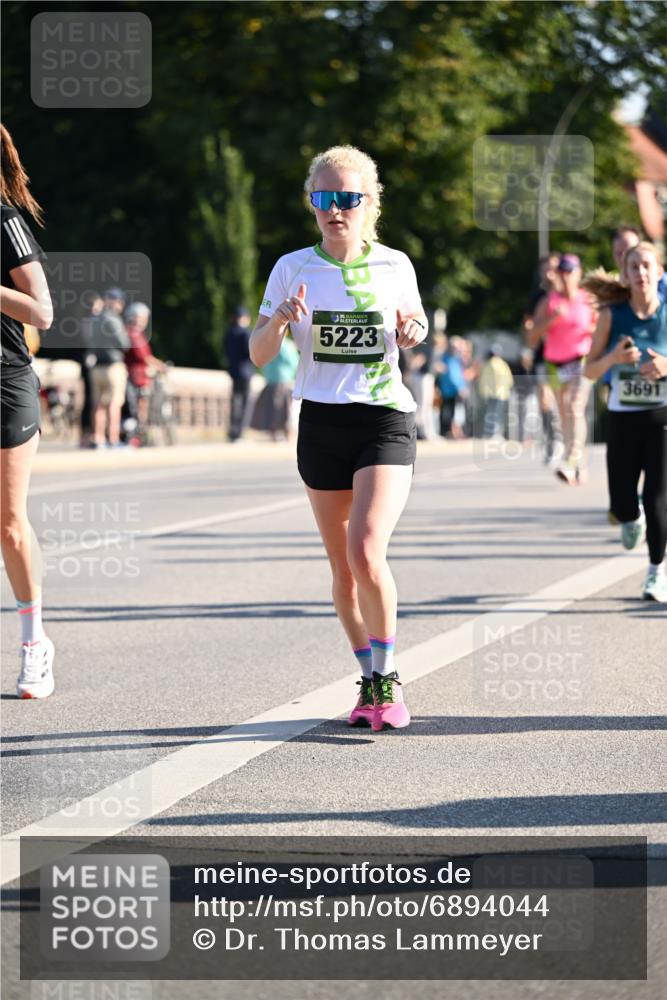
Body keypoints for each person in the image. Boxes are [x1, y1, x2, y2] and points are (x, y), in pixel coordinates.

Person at [250, 145, 427, 731]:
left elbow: (416, 324)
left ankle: (389, 674)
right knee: (343, 569)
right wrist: (279, 320)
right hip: (321, 422)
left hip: (383, 418)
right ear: (313, 204)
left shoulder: (395, 265)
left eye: (348, 198)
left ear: (370, 205)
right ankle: (367, 678)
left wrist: (409, 330)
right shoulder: (291, 268)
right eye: (324, 198)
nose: (335, 209)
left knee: (366, 548)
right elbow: (259, 353)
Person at [0, 122, 55, 698]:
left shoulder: (5, 219)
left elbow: (42, 312)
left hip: (3, 382)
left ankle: (34, 643)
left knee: (9, 522)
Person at [584, 242, 667, 602]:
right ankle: (630, 518)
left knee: (658, 497)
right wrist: (614, 357)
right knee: (621, 504)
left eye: (647, 266)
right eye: (634, 267)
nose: (641, 273)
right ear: (626, 274)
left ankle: (655, 573)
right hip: (622, 418)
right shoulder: (611, 314)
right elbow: (588, 371)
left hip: (663, 417)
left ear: (659, 271)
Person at [527, 254, 596, 484]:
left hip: (581, 360)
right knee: (565, 416)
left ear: (579, 273)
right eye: (562, 272)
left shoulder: (588, 300)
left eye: (570, 272)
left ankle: (569, 462)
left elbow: (600, 329)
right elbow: (532, 337)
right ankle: (579, 462)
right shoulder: (549, 301)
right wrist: (552, 320)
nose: (566, 277)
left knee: (574, 406)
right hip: (555, 364)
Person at [523, 253, 563, 464]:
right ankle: (554, 440)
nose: (549, 273)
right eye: (545, 268)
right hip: (543, 356)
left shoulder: (569, 294)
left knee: (565, 402)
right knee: (545, 400)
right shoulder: (537, 296)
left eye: (554, 268)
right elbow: (528, 323)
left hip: (567, 357)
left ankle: (569, 442)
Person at [86, 287, 130, 448]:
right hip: (112, 366)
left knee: (97, 405)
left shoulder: (93, 319)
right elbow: (124, 343)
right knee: (114, 404)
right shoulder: (113, 319)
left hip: (96, 366)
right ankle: (113, 439)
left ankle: (98, 438)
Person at [123, 301, 167, 443]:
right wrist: (162, 366)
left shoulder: (129, 332)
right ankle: (136, 437)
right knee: (139, 408)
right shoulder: (134, 334)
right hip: (137, 378)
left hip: (134, 376)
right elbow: (145, 357)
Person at [250, 333, 300, 440]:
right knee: (285, 408)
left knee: (272, 408)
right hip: (283, 379)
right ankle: (287, 432)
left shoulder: (268, 343)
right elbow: (294, 362)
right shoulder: (287, 345)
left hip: (271, 378)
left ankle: (273, 432)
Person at [224, 305, 254, 442]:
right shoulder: (245, 333)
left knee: (235, 401)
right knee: (244, 403)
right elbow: (250, 353)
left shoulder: (228, 333)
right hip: (245, 372)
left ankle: (232, 431)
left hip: (233, 371)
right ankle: (240, 432)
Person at [477, 344, 514, 439]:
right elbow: (506, 379)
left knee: (491, 413)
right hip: (498, 393)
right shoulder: (498, 364)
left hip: (492, 393)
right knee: (495, 414)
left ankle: (491, 433)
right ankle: (493, 433)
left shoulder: (487, 364)